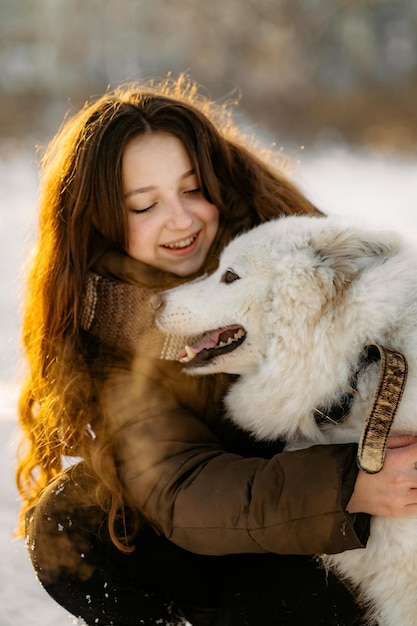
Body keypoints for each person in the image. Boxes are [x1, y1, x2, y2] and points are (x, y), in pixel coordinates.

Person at [16, 74, 417, 626]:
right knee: (74, 517)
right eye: (143, 205)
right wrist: (350, 484)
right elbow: (179, 488)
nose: (180, 221)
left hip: (334, 531)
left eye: (191, 189)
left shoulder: (284, 243)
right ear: (102, 220)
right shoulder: (107, 326)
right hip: (249, 516)